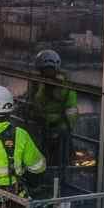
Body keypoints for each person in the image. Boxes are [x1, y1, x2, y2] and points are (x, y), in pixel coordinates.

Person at [24, 49, 78, 178]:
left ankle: (53, 181)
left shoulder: (42, 84)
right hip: (45, 129)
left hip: (55, 131)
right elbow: (32, 102)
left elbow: (71, 109)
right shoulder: (38, 84)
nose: (48, 73)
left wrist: (62, 126)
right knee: (53, 161)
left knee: (55, 161)